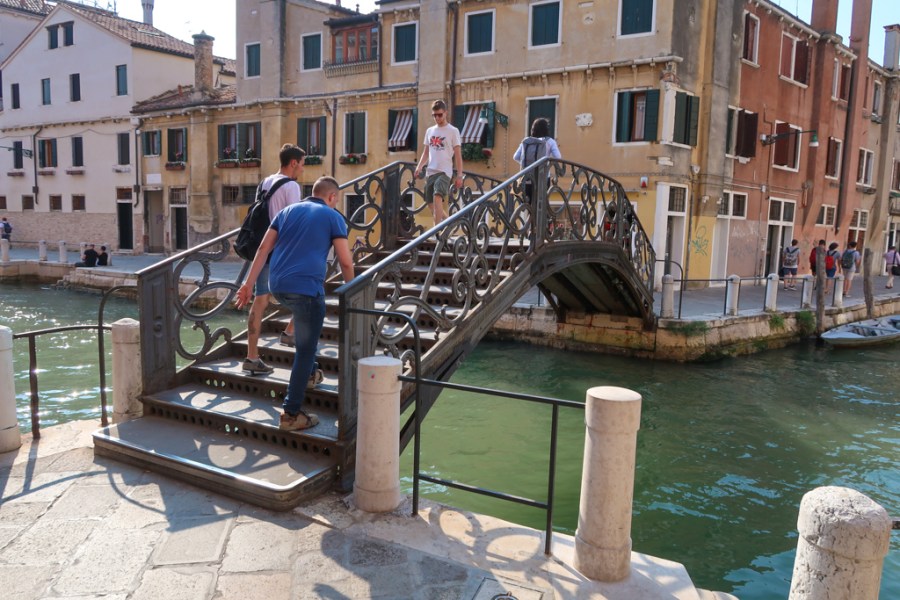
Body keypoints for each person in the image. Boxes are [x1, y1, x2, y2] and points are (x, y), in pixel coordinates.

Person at [235, 176, 355, 431]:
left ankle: (310, 374)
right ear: (332, 197)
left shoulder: (287, 211)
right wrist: (353, 291)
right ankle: (291, 414)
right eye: (336, 200)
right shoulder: (333, 217)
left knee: (305, 329)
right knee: (305, 349)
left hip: (278, 286)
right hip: (306, 289)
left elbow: (263, 249)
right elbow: (345, 261)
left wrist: (248, 284)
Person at [241, 144, 306, 375]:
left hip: (263, 249)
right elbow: (294, 223)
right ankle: (289, 333)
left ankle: (252, 357)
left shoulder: (265, 182)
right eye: (302, 164)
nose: (303, 169)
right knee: (308, 291)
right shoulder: (291, 187)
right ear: (293, 163)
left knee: (260, 301)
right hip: (283, 251)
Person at [414, 99, 463, 226]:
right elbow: (426, 152)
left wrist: (459, 175)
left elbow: (458, 155)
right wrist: (419, 167)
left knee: (437, 196)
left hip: (444, 172)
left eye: (440, 115)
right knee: (430, 203)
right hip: (431, 172)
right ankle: (449, 222)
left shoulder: (453, 131)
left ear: (446, 113)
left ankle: (437, 232)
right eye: (434, 115)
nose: (437, 118)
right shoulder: (430, 131)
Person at [513, 117, 562, 202]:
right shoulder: (550, 141)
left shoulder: (526, 141)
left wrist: (528, 163)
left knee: (527, 204)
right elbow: (558, 157)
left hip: (526, 178)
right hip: (542, 178)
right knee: (540, 203)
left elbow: (516, 157)